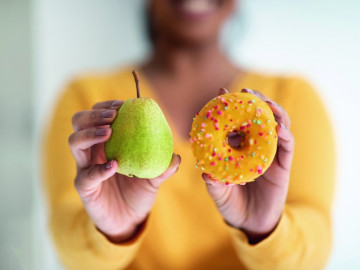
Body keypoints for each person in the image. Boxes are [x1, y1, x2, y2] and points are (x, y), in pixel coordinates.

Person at [43, 0, 335, 269]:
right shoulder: (85, 100)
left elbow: (314, 251)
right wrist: (113, 230)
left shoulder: (293, 98)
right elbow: (71, 252)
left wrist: (264, 228)